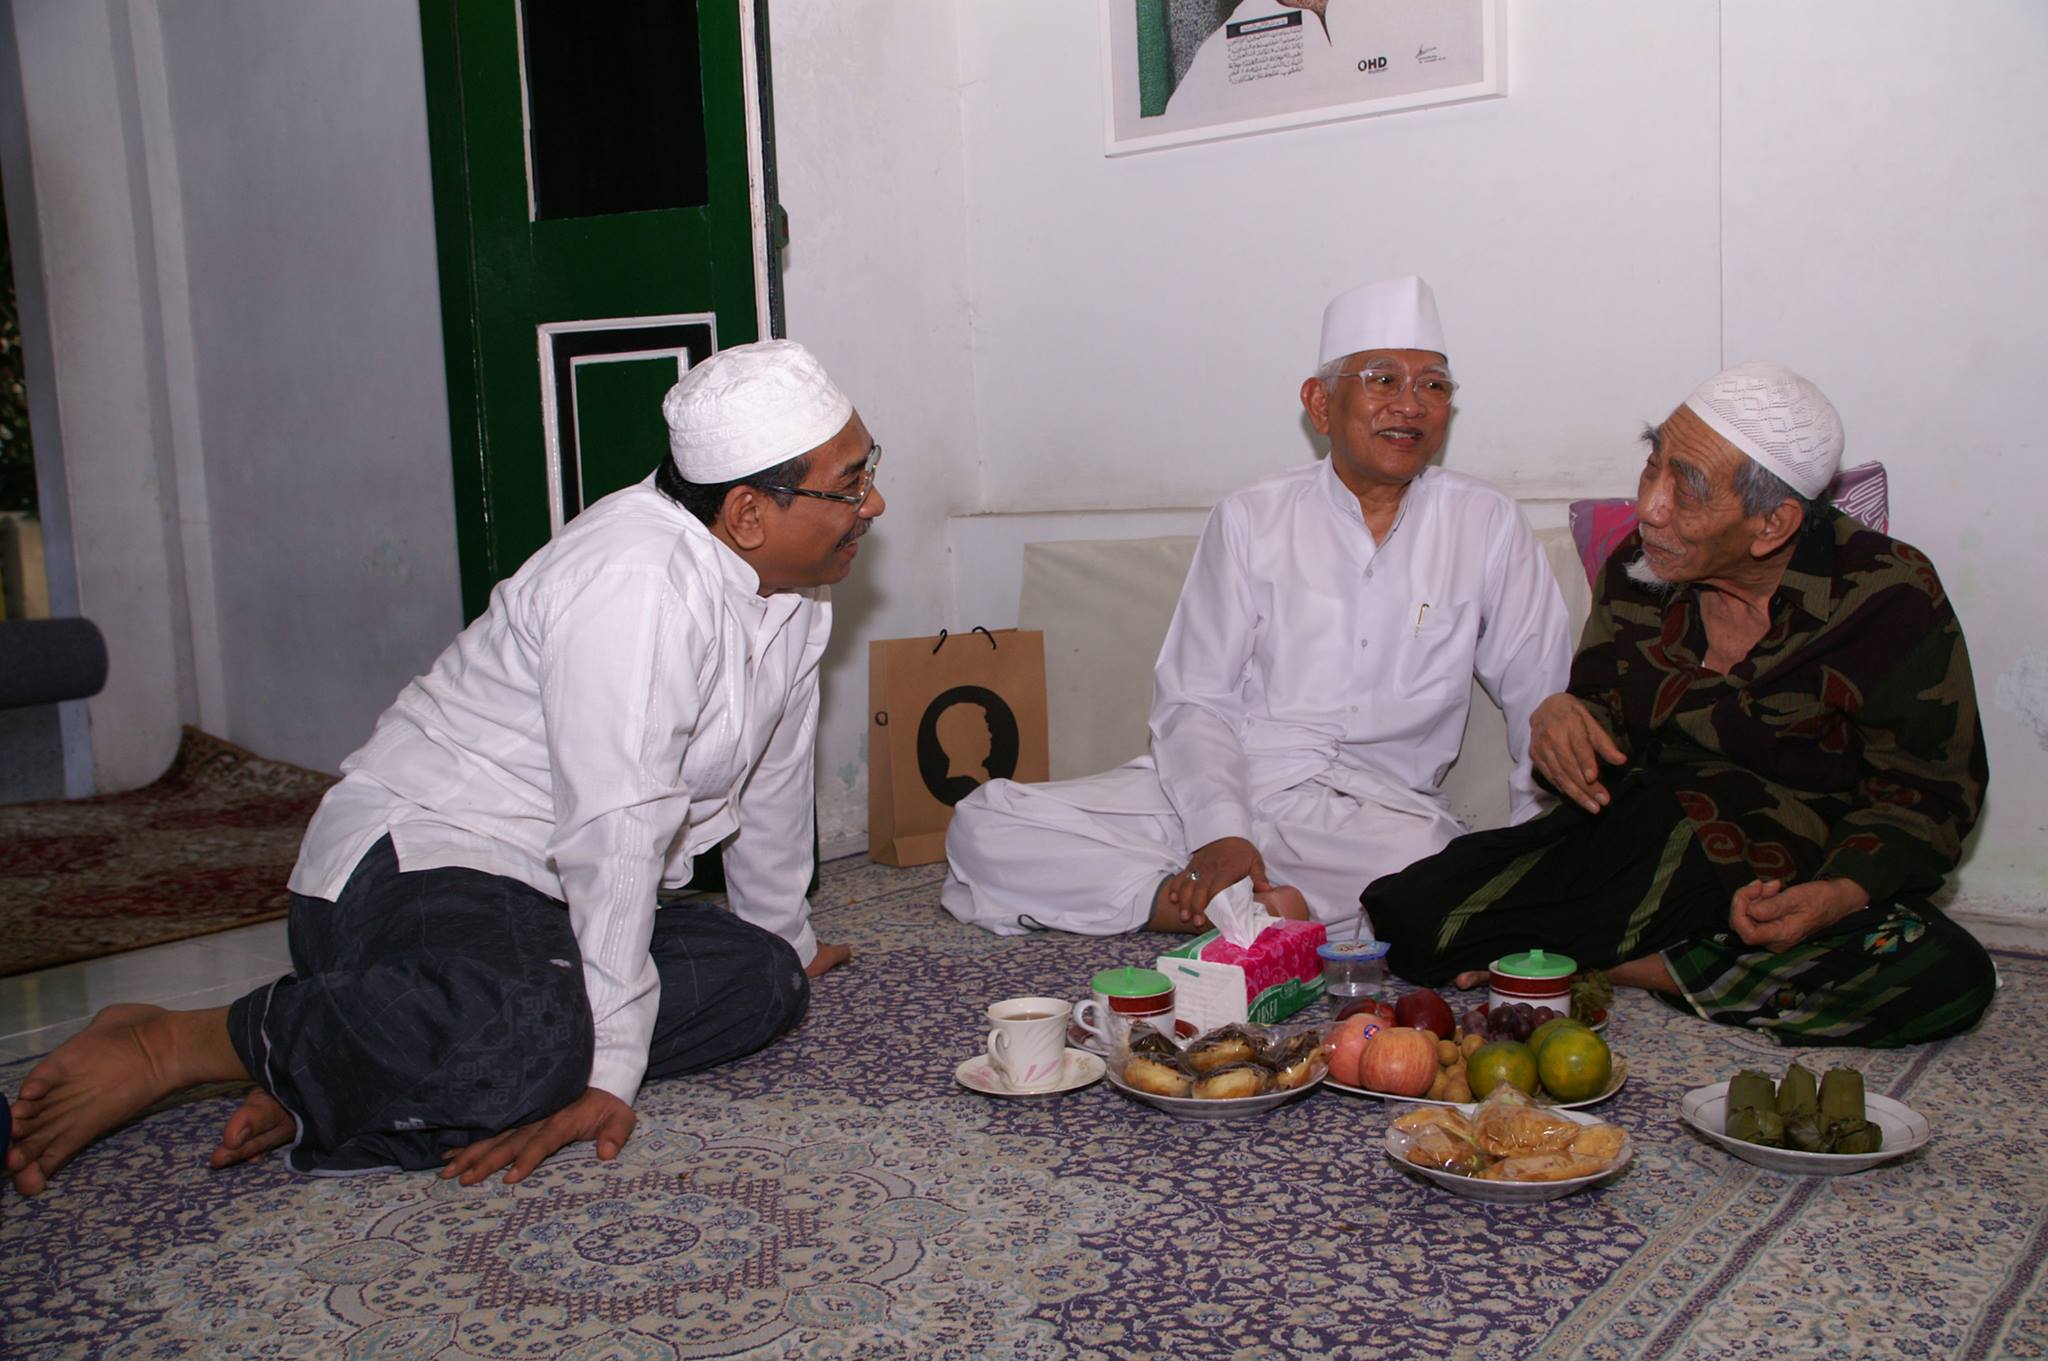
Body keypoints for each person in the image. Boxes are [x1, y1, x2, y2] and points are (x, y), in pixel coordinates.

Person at [6, 340, 882, 1195]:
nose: (873, 502)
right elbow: (618, 825)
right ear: (748, 513)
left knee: (759, 981)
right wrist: (609, 1072)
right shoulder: (635, 581)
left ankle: (345, 1071)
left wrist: (785, 936)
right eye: (848, 484)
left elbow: (774, 764)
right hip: (419, 862)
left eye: (866, 467)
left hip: (544, 905)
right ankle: (177, 1043)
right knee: (536, 1029)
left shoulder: (795, 592)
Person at [1366, 362, 1996, 1047]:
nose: (1650, 507)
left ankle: (1626, 963)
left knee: (1946, 973)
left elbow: (1930, 798)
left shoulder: (1888, 598)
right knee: (1416, 918)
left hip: (1810, 860)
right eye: (1652, 465)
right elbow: (1603, 712)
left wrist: (1835, 895)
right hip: (1652, 848)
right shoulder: (1641, 571)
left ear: (1773, 523)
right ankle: (1681, 961)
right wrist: (1559, 720)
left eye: (1686, 488)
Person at [942, 277, 1572, 936]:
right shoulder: (1252, 518)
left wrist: (1535, 859)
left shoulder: (1486, 523)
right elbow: (1194, 698)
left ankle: (1227, 906)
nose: (1411, 405)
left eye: (1434, 385)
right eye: (1383, 379)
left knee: (1438, 870)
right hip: (1228, 781)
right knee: (987, 821)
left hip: (1371, 820)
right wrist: (1221, 830)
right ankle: (1203, 901)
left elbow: (1543, 696)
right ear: (1320, 403)